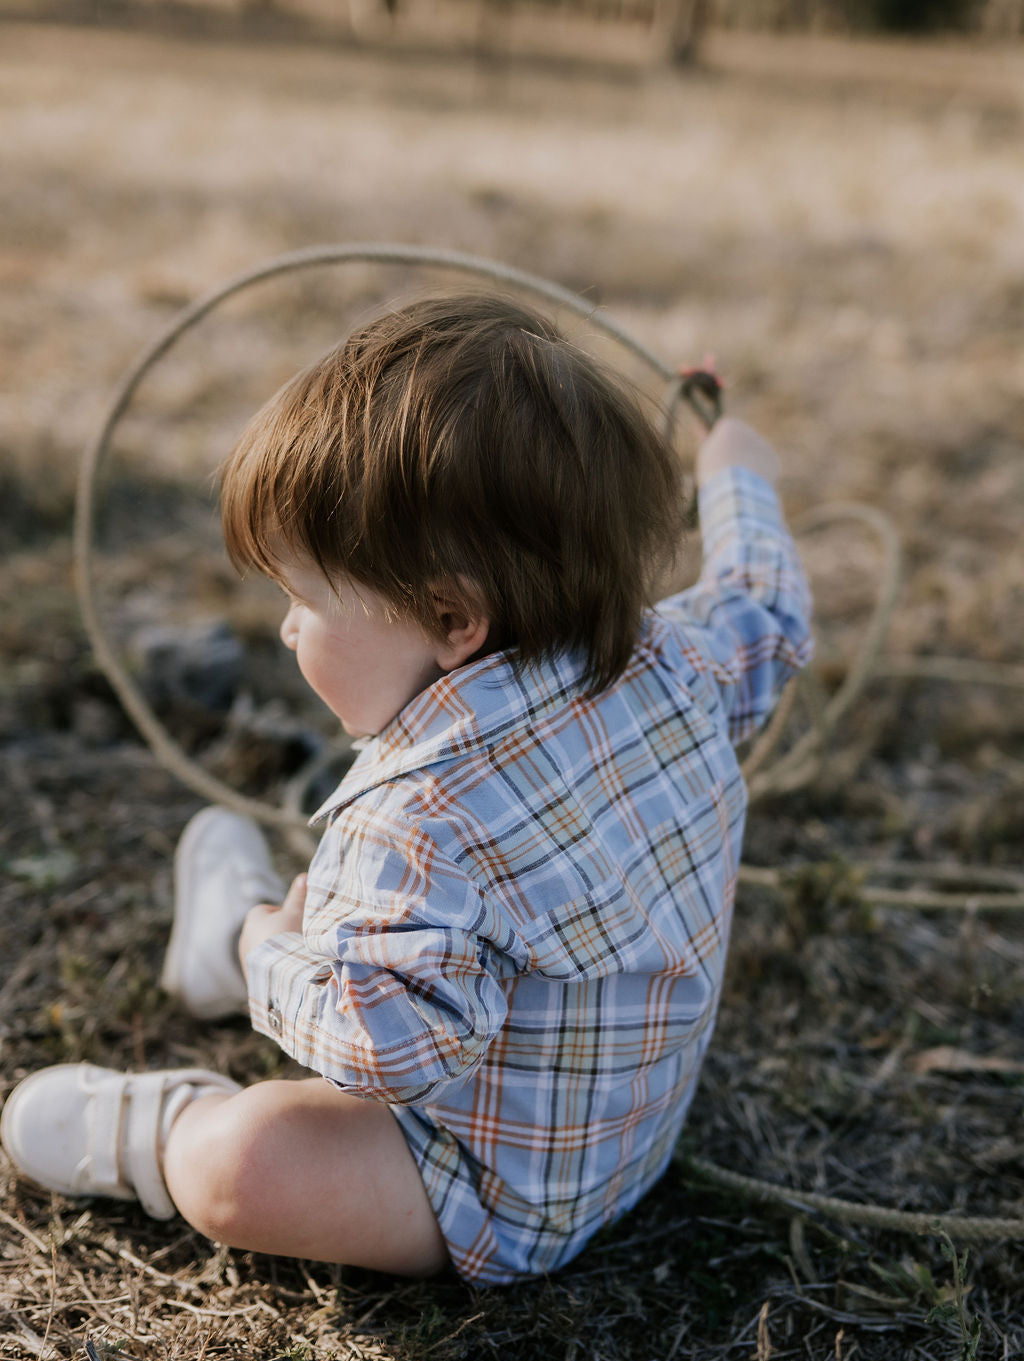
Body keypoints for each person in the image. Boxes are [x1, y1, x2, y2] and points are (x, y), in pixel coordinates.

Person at [1, 293, 812, 1284]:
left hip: (492, 1192)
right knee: (359, 954)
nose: (289, 631)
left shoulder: (418, 820)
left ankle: (180, 1078)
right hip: (634, 1143)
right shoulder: (682, 661)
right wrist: (736, 477)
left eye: (303, 600)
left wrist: (272, 957)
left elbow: (391, 1054)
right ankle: (225, 949)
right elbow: (766, 607)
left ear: (450, 616)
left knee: (241, 1165)